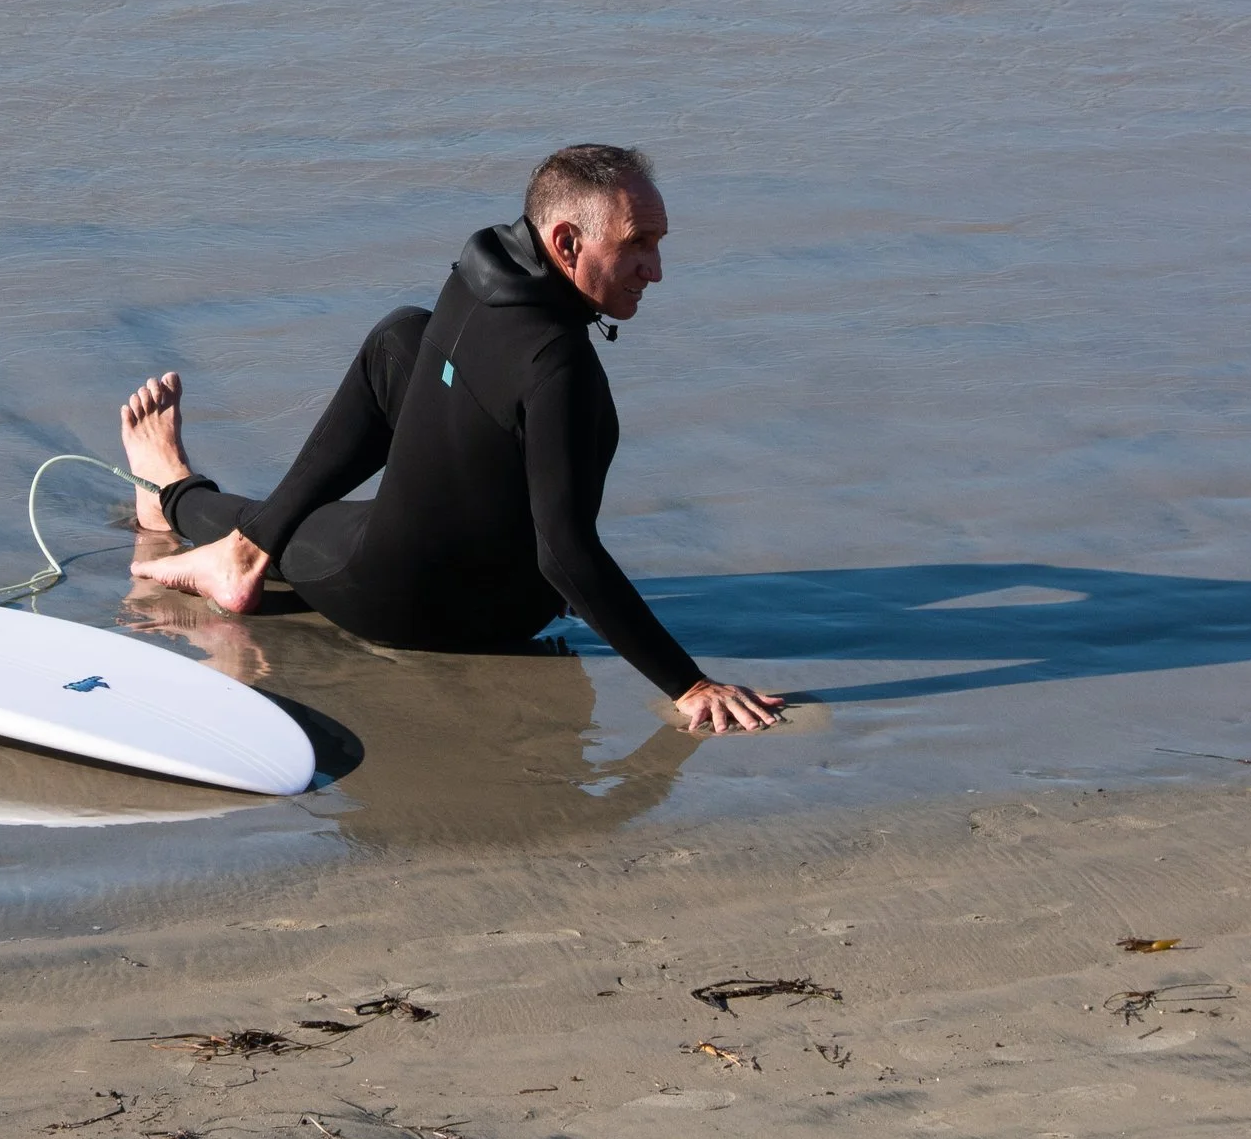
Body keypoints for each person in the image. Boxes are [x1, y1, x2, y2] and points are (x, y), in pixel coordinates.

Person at [119, 144, 785, 735]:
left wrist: (684, 680)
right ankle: (188, 507)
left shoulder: (482, 270)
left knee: (396, 356)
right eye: (638, 244)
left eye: (658, 243)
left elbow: (561, 552)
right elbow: (565, 554)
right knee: (403, 339)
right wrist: (690, 683)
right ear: (567, 244)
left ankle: (201, 516)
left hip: (457, 592)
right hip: (423, 599)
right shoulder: (558, 367)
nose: (655, 269)